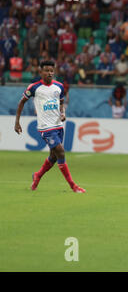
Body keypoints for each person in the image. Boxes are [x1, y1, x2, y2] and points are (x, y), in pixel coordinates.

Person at [14, 60, 85, 193]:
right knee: (61, 151)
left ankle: (37, 175)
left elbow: (61, 102)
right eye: (46, 70)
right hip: (45, 127)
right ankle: (73, 186)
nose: (50, 73)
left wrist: (62, 113)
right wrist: (17, 122)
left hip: (58, 125)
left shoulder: (59, 86)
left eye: (52, 70)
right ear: (40, 72)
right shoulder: (34, 88)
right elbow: (21, 102)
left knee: (53, 156)